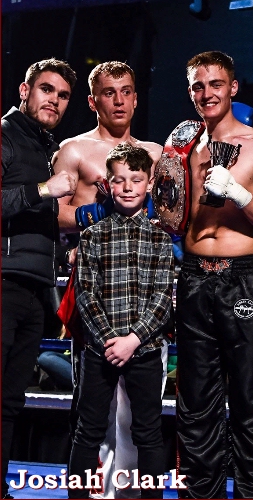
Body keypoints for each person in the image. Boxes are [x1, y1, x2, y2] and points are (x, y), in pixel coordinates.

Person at [166, 51, 253, 498]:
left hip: (244, 278)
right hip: (193, 276)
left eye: (216, 84)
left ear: (233, 87)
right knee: (195, 399)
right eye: (198, 86)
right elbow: (171, 217)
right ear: (190, 92)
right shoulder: (181, 148)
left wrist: (237, 193)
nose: (207, 93)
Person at [52, 61, 165, 499]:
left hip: (143, 296)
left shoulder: (154, 153)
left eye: (126, 91)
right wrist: (91, 214)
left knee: (141, 421)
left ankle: (131, 494)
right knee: (92, 416)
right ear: (93, 100)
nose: (119, 100)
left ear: (136, 97)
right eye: (108, 92)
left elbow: (173, 216)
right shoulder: (74, 149)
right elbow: (53, 213)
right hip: (94, 290)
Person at [68, 142, 174, 499]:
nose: (128, 187)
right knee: (88, 431)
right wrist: (111, 341)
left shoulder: (160, 239)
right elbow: (86, 295)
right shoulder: (92, 236)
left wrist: (133, 340)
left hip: (145, 350)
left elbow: (163, 298)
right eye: (120, 180)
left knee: (148, 434)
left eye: (136, 179)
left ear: (149, 184)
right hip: (100, 351)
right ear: (108, 185)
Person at [1, 58, 77, 499]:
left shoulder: (45, 147)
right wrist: (44, 190)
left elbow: (41, 222)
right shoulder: (5, 135)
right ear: (24, 91)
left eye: (63, 95)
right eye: (47, 89)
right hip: (3, 284)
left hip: (34, 288)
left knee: (11, 401)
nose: (54, 100)